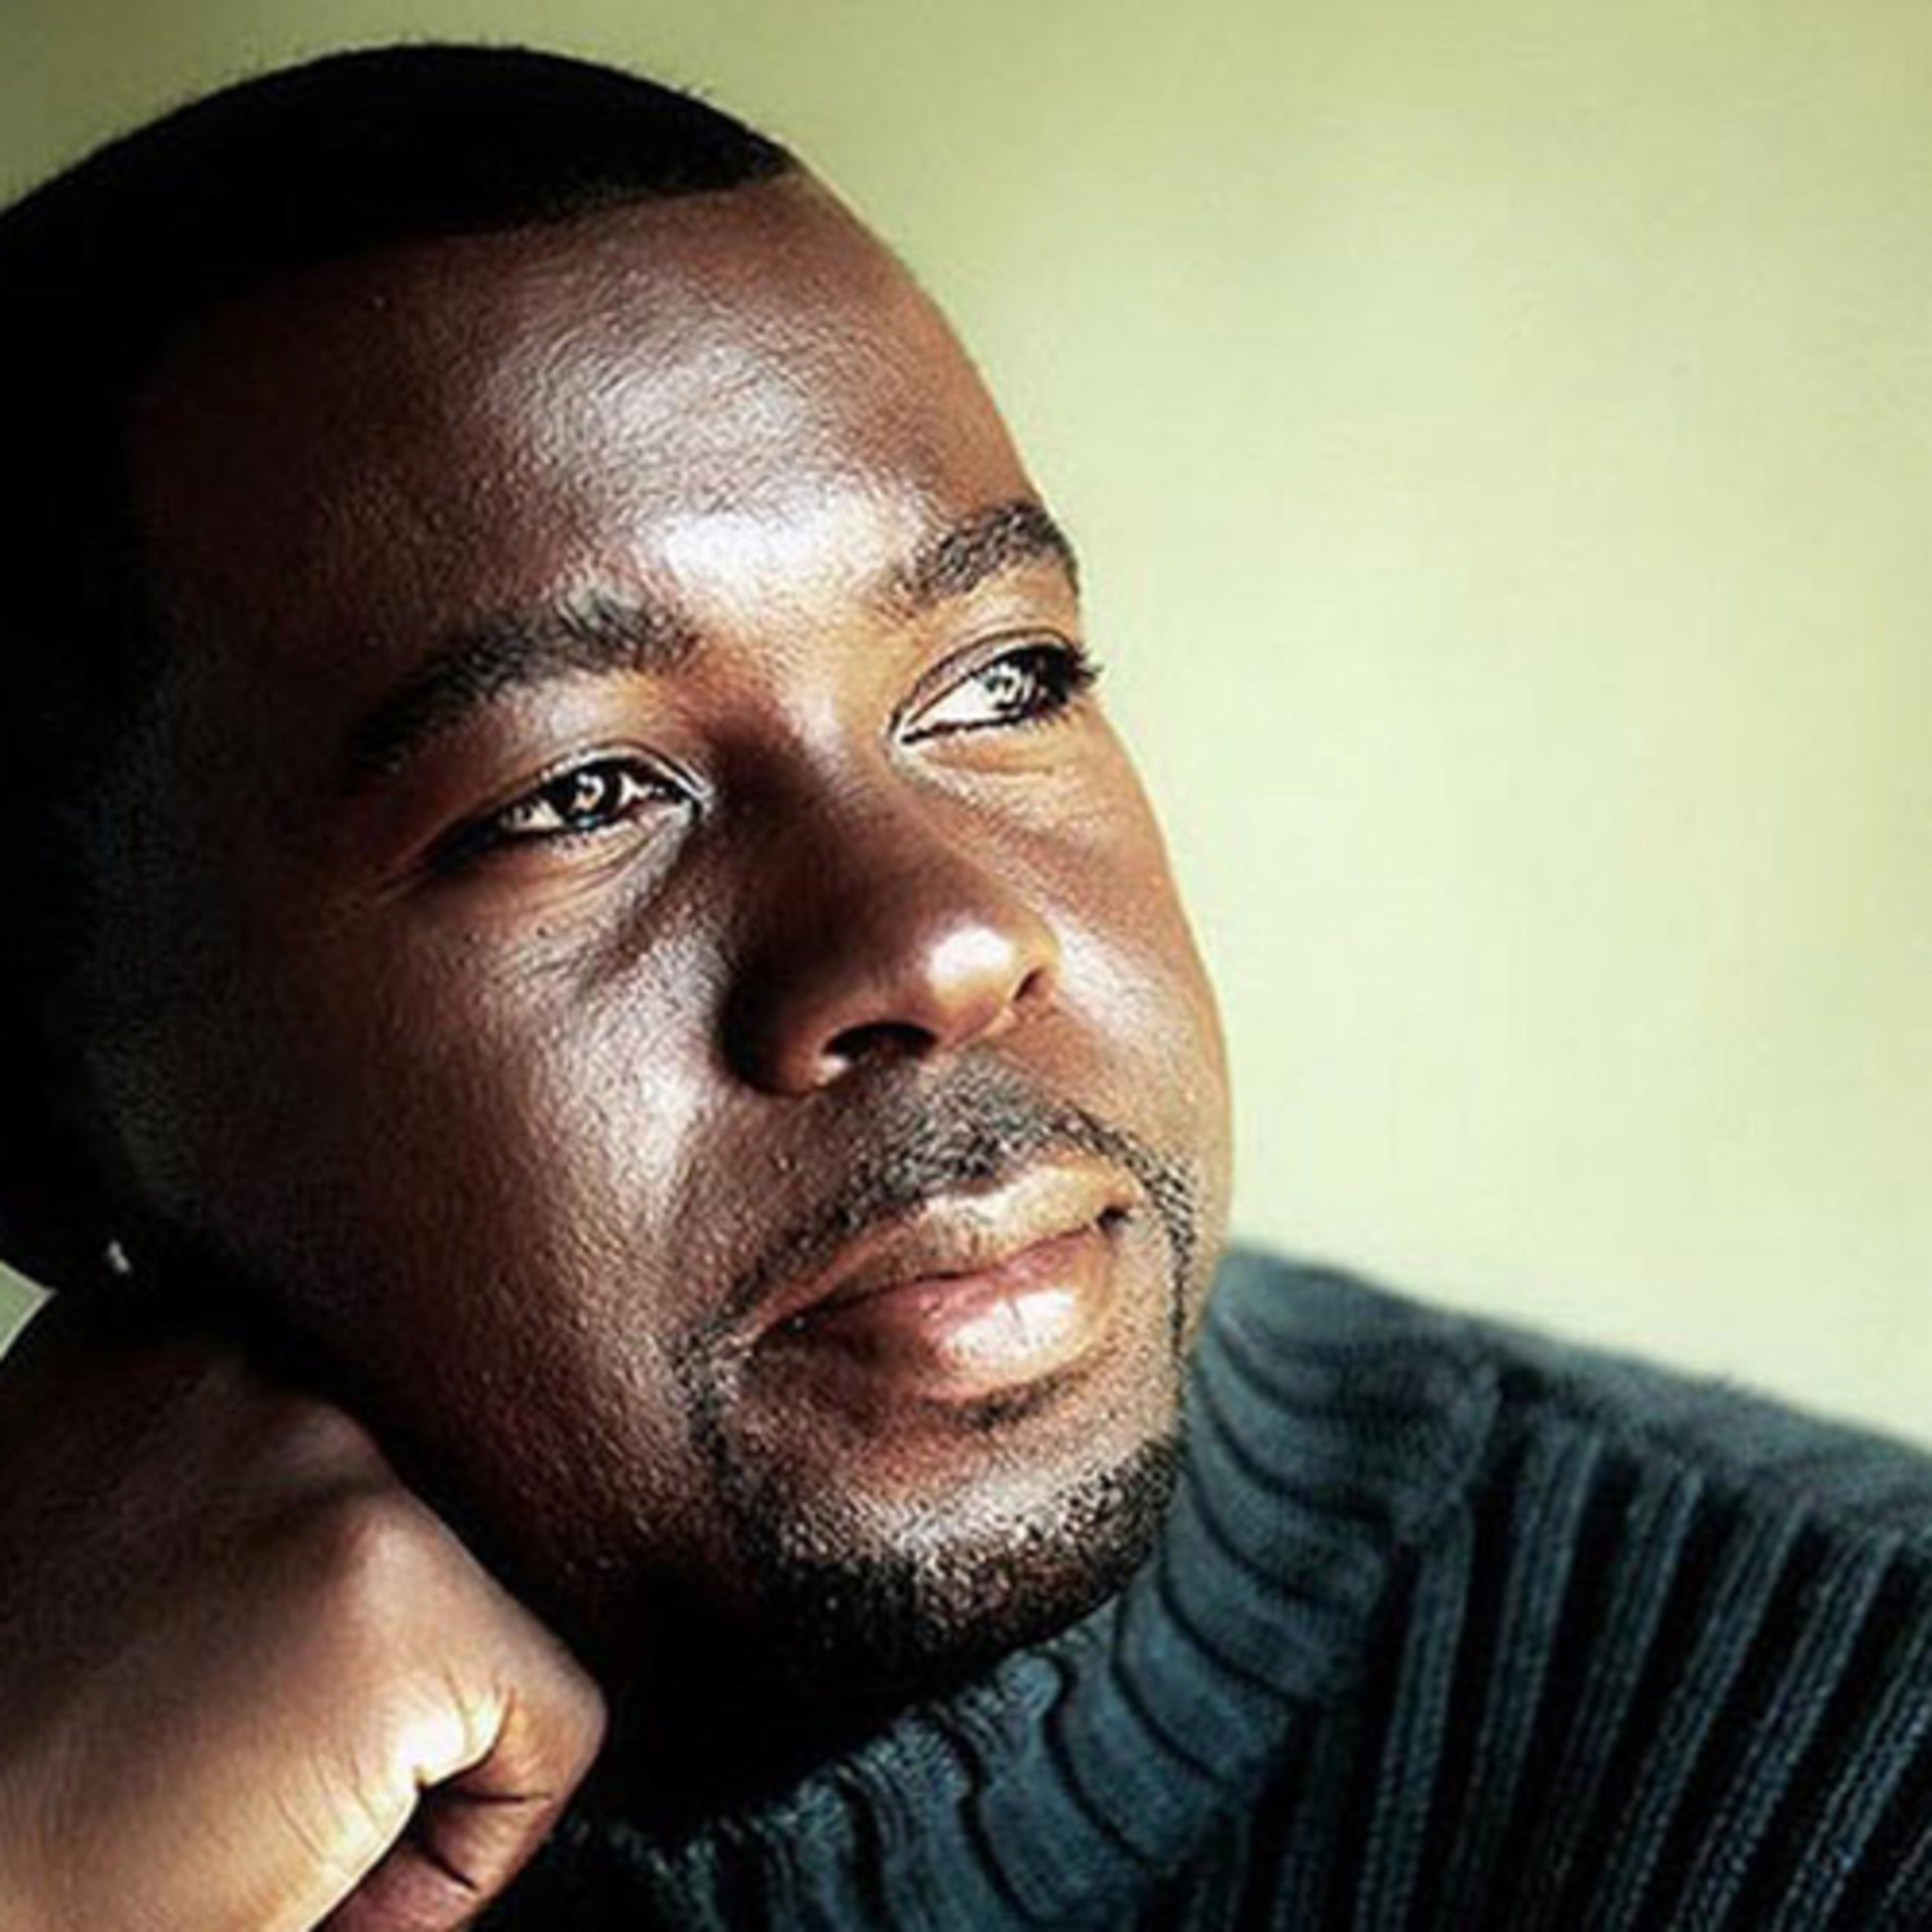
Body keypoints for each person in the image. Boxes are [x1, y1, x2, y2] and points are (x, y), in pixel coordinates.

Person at [0, 43, 1927, 1931]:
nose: (944, 944)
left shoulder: (1862, 1762)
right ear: (40, 1127)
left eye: (1003, 683)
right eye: (578, 795)